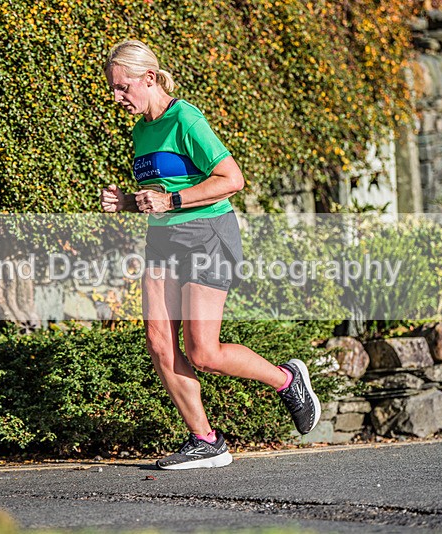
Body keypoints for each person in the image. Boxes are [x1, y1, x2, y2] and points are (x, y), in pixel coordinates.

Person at [100, 39, 320, 470]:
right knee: (159, 343)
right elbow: (162, 193)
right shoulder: (141, 130)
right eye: (113, 89)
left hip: (207, 238)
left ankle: (287, 380)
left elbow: (232, 179)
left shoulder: (186, 119)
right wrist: (129, 201)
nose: (117, 97)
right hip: (163, 241)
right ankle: (206, 441)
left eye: (124, 87)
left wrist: (173, 203)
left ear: (149, 78)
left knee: (203, 352)